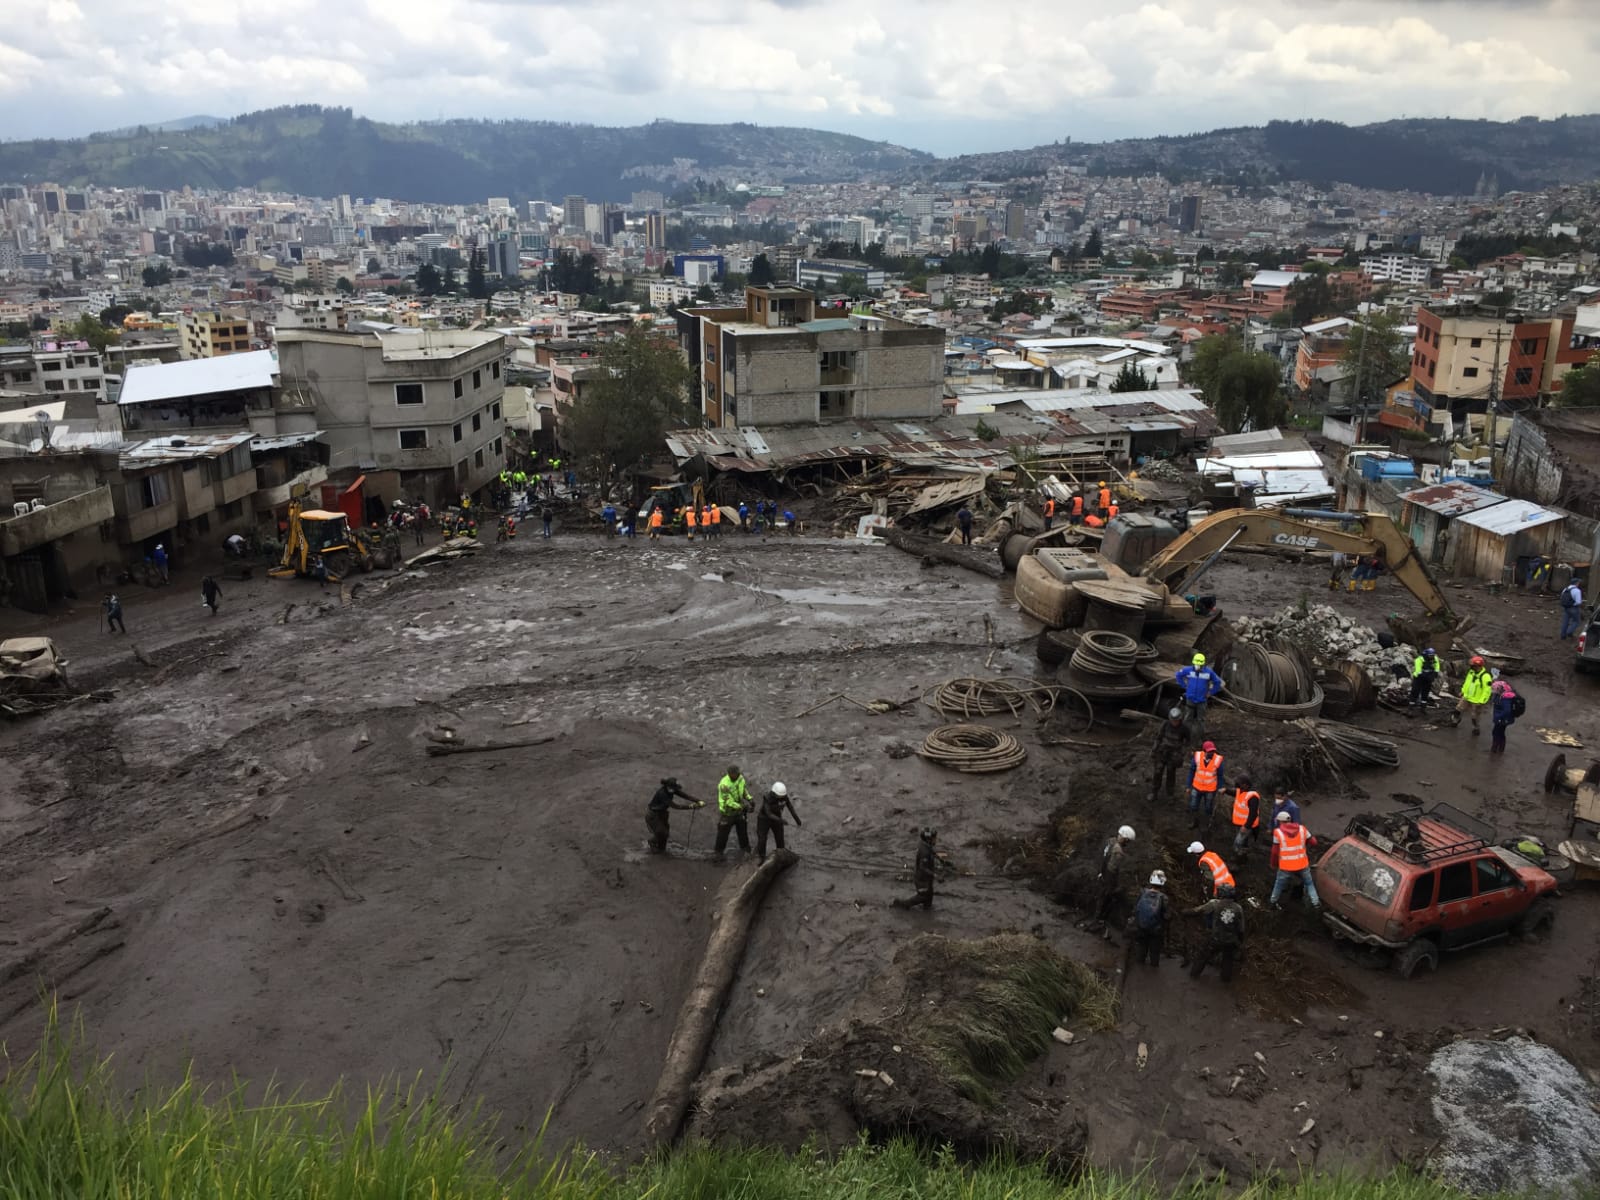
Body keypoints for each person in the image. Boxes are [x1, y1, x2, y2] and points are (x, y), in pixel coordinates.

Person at [1186, 883, 1246, 983]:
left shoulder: (1214, 903)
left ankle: (1193, 976)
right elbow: (1241, 929)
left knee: (1203, 956)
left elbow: (1197, 911)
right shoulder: (1238, 908)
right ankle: (1225, 983)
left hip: (1215, 938)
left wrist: (1185, 912)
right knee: (1227, 961)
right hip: (1230, 940)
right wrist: (1239, 942)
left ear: (1221, 893)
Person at [1269, 811, 1321, 910]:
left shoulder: (1278, 833)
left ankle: (1273, 902)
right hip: (1302, 864)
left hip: (1286, 866)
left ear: (1280, 822)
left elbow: (1275, 852)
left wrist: (1273, 864)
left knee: (1279, 884)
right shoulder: (1302, 829)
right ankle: (1316, 903)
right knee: (1309, 883)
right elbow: (1314, 842)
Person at [1095, 825, 1136, 940]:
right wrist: (1112, 886)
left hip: (1102, 872)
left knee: (1101, 897)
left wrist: (1100, 873)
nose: (1128, 844)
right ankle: (1100, 920)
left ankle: (1099, 917)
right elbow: (1112, 870)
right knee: (1105, 898)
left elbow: (1103, 858)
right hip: (1107, 878)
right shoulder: (1118, 852)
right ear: (1125, 839)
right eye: (1128, 841)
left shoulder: (1110, 841)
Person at [646, 777, 703, 853]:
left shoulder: (672, 789)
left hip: (662, 813)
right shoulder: (662, 793)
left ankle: (661, 849)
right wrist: (691, 806)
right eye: (671, 788)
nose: (673, 790)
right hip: (653, 815)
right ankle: (652, 842)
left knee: (666, 832)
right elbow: (675, 806)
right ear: (667, 786)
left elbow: (685, 796)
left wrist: (698, 801)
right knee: (661, 832)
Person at [1128, 871, 1170, 967]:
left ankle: (1140, 968)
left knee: (1141, 949)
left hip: (1141, 926)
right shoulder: (1164, 898)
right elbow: (1167, 916)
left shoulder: (1143, 892)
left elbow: (1135, 908)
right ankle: (1153, 973)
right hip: (1156, 930)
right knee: (1154, 952)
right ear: (1163, 883)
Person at [1149, 707, 1191, 802]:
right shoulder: (1165, 724)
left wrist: (1181, 753)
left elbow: (1187, 742)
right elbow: (1159, 737)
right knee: (1157, 772)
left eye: (1176, 721)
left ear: (1180, 719)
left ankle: (1170, 794)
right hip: (1162, 751)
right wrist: (1154, 749)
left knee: (1171, 774)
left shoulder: (1184, 728)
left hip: (1174, 754)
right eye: (1172, 720)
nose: (1174, 722)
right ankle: (1154, 792)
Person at [892, 827, 938, 910]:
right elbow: (923, 867)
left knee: (929, 897)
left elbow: (932, 853)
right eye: (934, 838)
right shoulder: (925, 851)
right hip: (922, 879)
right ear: (928, 839)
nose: (935, 840)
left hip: (927, 879)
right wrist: (935, 875)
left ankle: (927, 914)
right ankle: (903, 904)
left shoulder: (926, 846)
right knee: (923, 896)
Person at [755, 781, 801, 864]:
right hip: (764, 819)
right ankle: (761, 856)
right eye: (779, 796)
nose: (781, 797)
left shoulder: (784, 797)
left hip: (777, 817)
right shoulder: (767, 798)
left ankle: (781, 853)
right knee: (762, 838)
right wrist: (781, 820)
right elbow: (768, 813)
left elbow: (790, 807)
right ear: (774, 793)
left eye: (782, 796)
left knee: (780, 837)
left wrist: (797, 820)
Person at [1175, 653, 1223, 731]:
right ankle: (1186, 735)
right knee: (1187, 717)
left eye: (1199, 665)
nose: (1197, 666)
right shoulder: (1188, 670)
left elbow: (1217, 682)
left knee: (1201, 720)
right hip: (1190, 698)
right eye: (1196, 664)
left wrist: (1211, 692)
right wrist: (1184, 686)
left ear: (1203, 664)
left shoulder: (1209, 672)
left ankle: (1199, 735)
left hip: (1202, 700)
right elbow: (1178, 675)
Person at [713, 765, 751, 860]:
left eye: (739, 773)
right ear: (730, 774)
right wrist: (742, 806)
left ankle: (746, 849)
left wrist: (750, 798)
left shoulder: (740, 778)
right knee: (723, 834)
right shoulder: (724, 785)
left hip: (739, 811)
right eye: (736, 774)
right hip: (727, 812)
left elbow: (743, 790)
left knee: (743, 832)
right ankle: (718, 853)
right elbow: (729, 802)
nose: (738, 775)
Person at [1452, 655, 1494, 735]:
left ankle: (1476, 728)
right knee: (1457, 710)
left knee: (1474, 717)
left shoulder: (1485, 677)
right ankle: (1455, 721)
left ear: (1477, 666)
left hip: (1477, 700)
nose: (1470, 666)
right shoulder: (1471, 672)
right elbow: (1467, 683)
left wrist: (1482, 701)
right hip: (1467, 697)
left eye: (1472, 665)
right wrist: (1463, 691)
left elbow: (1487, 691)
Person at [1188, 740, 1226, 828]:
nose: (1212, 753)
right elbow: (1191, 771)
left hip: (1210, 789)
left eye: (1213, 751)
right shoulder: (1197, 757)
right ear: (1204, 751)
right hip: (1196, 787)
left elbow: (1220, 776)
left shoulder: (1218, 760)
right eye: (1210, 751)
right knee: (1193, 805)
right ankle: (1194, 821)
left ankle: (1206, 824)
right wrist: (1188, 785)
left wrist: (1220, 787)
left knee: (1208, 807)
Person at [1229, 773, 1262, 860]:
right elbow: (1232, 792)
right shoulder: (1240, 791)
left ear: (1246, 785)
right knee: (1243, 842)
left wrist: (1246, 826)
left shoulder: (1252, 797)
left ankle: (1236, 861)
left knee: (1237, 843)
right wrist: (1225, 790)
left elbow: (1253, 814)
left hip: (1248, 826)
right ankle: (1243, 857)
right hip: (1239, 823)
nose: (1237, 784)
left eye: (1239, 783)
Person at [1409, 646, 1441, 712]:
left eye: (1432, 655)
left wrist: (1435, 673)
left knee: (1425, 693)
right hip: (1419, 678)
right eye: (1430, 655)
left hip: (1428, 677)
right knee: (1415, 691)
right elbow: (1418, 671)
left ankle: (1423, 707)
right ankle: (1411, 707)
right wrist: (1428, 677)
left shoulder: (1434, 658)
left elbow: (1437, 666)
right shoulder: (1419, 660)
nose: (1431, 657)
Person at [1490, 680, 1519, 755]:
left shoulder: (1506, 698)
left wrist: (1498, 716)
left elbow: (1507, 710)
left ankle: (1495, 748)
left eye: (1494, 689)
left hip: (1503, 719)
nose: (1492, 690)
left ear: (1499, 689)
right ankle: (1499, 748)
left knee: (1497, 732)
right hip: (1501, 718)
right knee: (1499, 732)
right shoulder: (1499, 695)